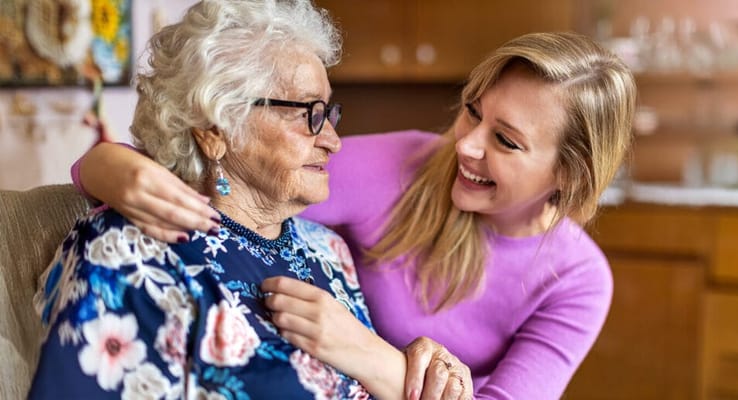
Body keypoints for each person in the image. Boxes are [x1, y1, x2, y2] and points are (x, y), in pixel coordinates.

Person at [72, 30, 637, 399]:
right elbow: (228, 171)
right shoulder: (405, 167)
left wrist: (368, 356)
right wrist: (105, 166)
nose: (465, 145)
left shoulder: (579, 281)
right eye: (473, 112)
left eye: (506, 142)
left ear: (569, 175)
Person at [29, 1, 470, 399]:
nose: (333, 141)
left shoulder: (327, 250)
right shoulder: (128, 253)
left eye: (329, 113)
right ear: (216, 131)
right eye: (307, 114)